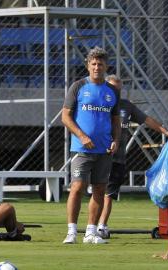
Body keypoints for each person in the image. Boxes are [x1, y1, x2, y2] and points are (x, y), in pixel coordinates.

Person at [96, 74, 168, 239]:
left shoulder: (126, 106)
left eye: (119, 89)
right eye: (113, 88)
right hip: (99, 156)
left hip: (118, 158)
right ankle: (89, 227)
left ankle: (101, 226)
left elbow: (147, 120)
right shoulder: (99, 104)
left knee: (109, 194)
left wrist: (167, 132)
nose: (117, 92)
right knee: (97, 193)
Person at [62, 47, 121, 244]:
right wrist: (81, 135)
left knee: (99, 189)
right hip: (81, 148)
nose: (97, 67)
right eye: (93, 64)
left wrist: (116, 140)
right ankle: (71, 231)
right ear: (88, 65)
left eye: (100, 64)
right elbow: (65, 116)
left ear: (106, 66)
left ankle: (91, 232)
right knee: (77, 187)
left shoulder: (112, 91)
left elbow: (115, 120)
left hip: (104, 149)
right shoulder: (78, 86)